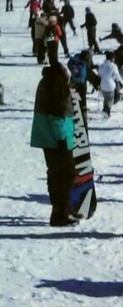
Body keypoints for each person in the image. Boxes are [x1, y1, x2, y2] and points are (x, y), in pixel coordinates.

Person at [30, 64, 77, 226]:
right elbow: (57, 116)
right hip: (58, 139)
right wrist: (63, 138)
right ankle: (61, 212)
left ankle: (60, 209)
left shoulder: (46, 82)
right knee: (65, 175)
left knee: (56, 173)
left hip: (47, 137)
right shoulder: (57, 87)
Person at [98, 51, 123, 117]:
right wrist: (120, 82)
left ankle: (107, 113)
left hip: (103, 84)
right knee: (111, 99)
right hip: (110, 84)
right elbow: (117, 75)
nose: (114, 59)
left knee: (106, 98)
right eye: (113, 58)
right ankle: (106, 110)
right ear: (111, 58)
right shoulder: (113, 66)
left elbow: (99, 75)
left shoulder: (101, 65)